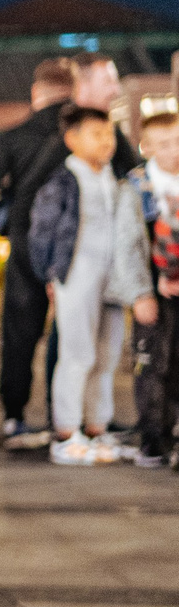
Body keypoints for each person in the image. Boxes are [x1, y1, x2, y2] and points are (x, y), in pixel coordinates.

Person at [26, 106, 151, 465]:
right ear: (72, 139)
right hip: (76, 273)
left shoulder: (117, 178)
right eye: (96, 134)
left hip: (114, 278)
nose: (106, 142)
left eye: (110, 134)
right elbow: (41, 232)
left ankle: (97, 428)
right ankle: (66, 431)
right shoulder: (62, 179)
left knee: (108, 354)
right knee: (77, 352)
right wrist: (50, 275)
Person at [0, 58, 81, 448]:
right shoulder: (85, 132)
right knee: (72, 333)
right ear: (72, 92)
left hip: (26, 242)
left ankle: (14, 416)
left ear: (37, 93)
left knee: (20, 333)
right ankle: (63, 415)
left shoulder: (12, 137)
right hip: (75, 242)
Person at [125, 110, 179, 469]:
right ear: (147, 147)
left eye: (178, 142)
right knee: (152, 363)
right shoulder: (135, 186)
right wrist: (140, 292)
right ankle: (153, 437)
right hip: (153, 289)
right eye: (164, 144)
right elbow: (128, 244)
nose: (174, 150)